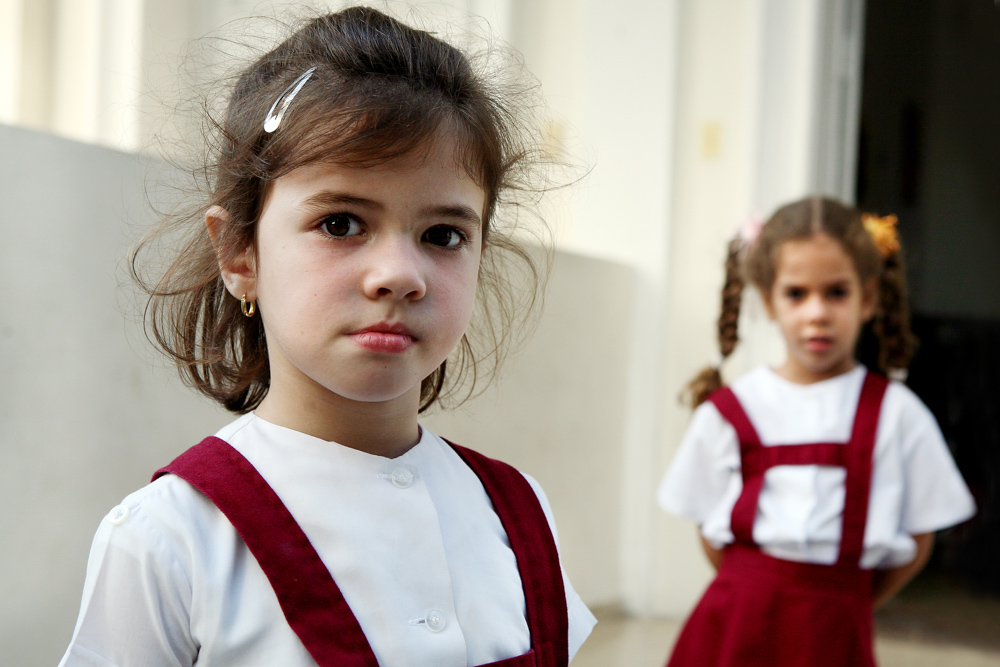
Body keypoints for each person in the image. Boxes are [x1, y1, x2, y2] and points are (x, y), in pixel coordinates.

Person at [59, 7, 595, 666]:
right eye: (341, 223)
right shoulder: (168, 538)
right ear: (239, 256)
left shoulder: (520, 515)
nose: (400, 275)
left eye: (444, 235)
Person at [657, 197, 975, 667]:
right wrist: (756, 586)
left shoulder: (898, 415)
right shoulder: (730, 411)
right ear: (768, 300)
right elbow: (708, 527)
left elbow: (919, 539)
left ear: (867, 297)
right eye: (796, 294)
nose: (817, 312)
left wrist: (845, 600)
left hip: (834, 630)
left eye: (836, 292)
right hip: (733, 628)